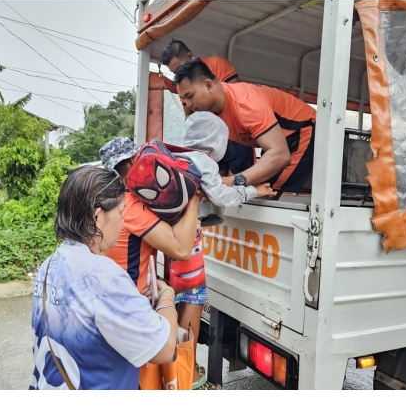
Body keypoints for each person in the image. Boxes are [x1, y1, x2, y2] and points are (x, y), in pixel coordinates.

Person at [29, 166, 179, 390]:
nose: (122, 222)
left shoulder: (48, 265)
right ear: (97, 216)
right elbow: (166, 350)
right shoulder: (103, 276)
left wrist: (133, 305)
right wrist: (167, 296)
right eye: (120, 213)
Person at [99, 137, 215, 389]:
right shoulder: (129, 205)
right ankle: (189, 378)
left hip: (111, 301)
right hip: (133, 306)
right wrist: (193, 196)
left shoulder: (109, 201)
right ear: (134, 160)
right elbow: (182, 249)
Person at [174, 58, 317, 193]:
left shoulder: (246, 104)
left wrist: (233, 180)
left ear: (208, 85)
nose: (189, 104)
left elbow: (280, 155)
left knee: (269, 190)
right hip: (280, 141)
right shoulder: (209, 112)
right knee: (253, 187)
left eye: (189, 96)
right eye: (184, 99)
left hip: (305, 131)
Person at [160, 38, 254, 176]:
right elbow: (189, 116)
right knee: (214, 182)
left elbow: (237, 97)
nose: (178, 74)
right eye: (174, 72)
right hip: (211, 140)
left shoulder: (217, 65)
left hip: (235, 135)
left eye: (179, 68)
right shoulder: (181, 84)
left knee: (237, 185)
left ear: (190, 56)